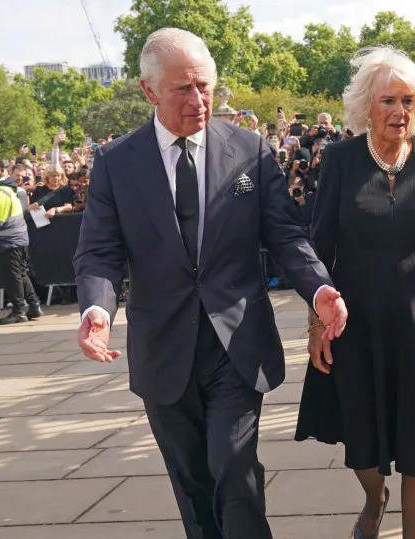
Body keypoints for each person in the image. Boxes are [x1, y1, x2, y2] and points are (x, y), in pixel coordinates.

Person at [72, 28, 347, 539]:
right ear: (148, 91)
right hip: (163, 348)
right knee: (193, 484)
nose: (199, 101)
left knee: (234, 467)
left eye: (206, 86)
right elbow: (99, 252)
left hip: (236, 344)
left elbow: (285, 234)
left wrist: (318, 288)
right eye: (183, 89)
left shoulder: (249, 150)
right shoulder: (117, 162)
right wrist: (97, 311)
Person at [295, 46, 415, 539]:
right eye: (388, 100)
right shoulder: (340, 159)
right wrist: (316, 322)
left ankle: (414, 533)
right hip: (357, 319)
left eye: (408, 100)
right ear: (366, 107)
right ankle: (374, 499)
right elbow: (319, 243)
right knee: (362, 431)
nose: (400, 111)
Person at [0, 157, 44, 324]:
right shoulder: (9, 188)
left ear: (2, 170)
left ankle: (19, 311)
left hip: (10, 240)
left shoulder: (0, 191)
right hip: (19, 238)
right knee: (21, 274)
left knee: (13, 277)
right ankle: (34, 305)